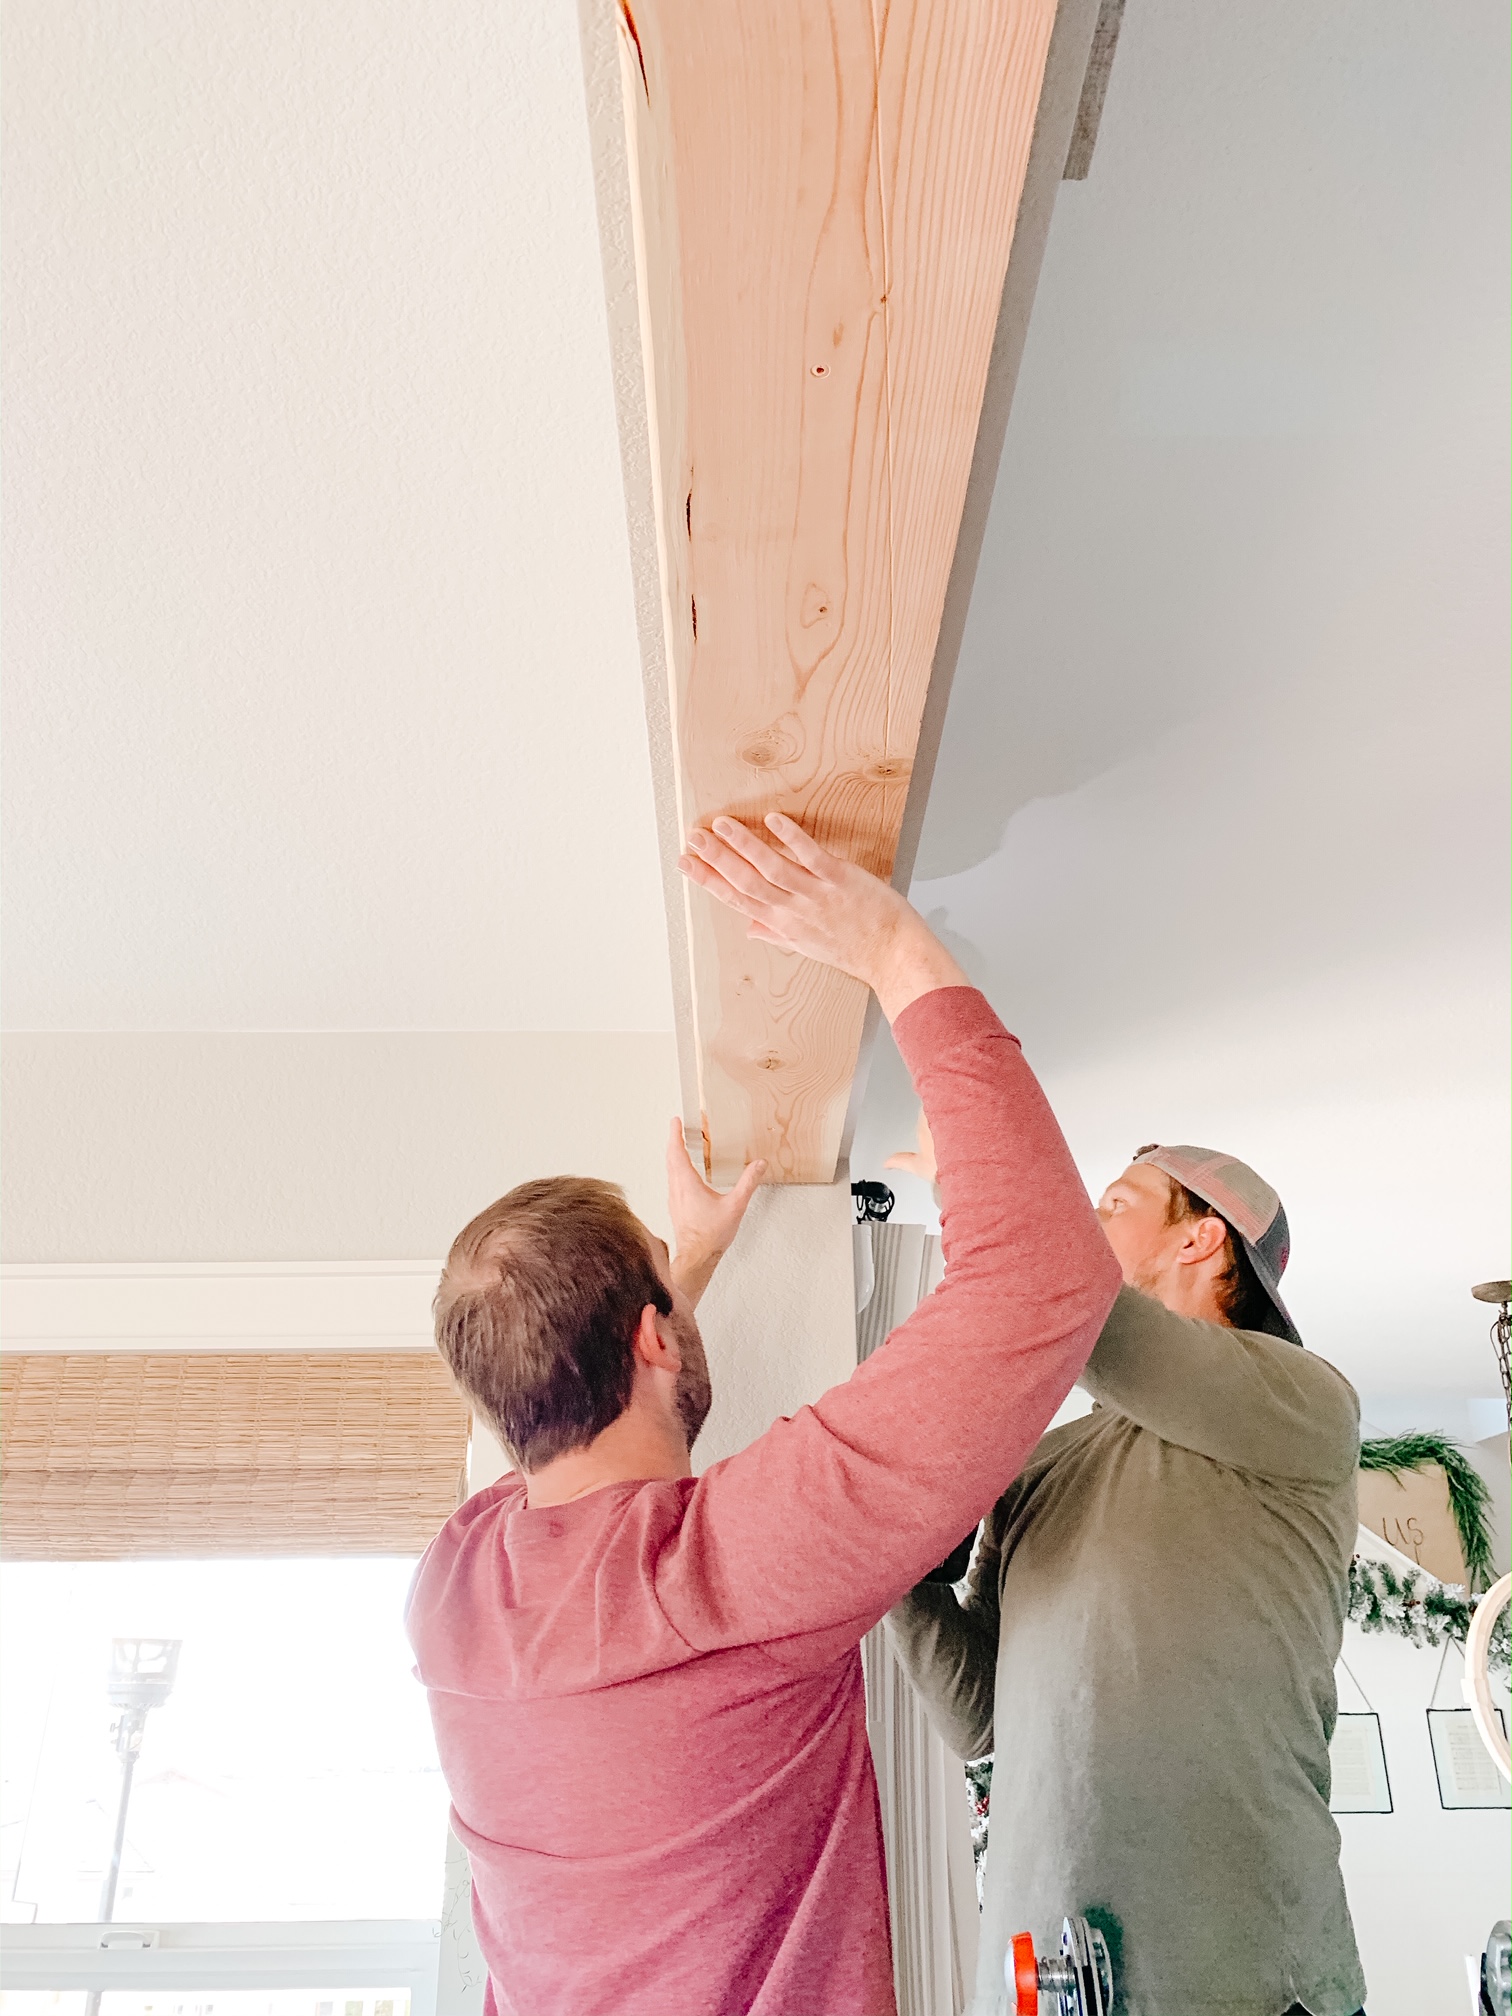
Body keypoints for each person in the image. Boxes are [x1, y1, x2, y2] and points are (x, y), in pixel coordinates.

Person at [405, 814, 1122, 2016]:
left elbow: (566, 1404)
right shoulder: (728, 1568)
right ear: (646, 1340)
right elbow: (1047, 1271)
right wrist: (894, 948)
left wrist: (674, 1271)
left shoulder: (457, 1591)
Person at [886, 1138, 1368, 2016]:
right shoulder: (1041, 1463)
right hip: (1051, 1978)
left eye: (1114, 1201)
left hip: (1240, 1969)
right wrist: (902, 1575)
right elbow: (981, 1720)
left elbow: (1071, 1305)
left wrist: (974, 1175)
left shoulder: (1302, 1402)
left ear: (1201, 1240)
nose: (1088, 1221)